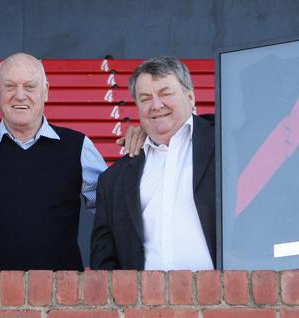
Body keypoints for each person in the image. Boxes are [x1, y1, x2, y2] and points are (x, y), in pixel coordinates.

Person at [0, 52, 107, 271]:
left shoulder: (79, 148)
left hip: (61, 297)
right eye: (9, 86)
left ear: (45, 91)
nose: (19, 95)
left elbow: (114, 209)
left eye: (29, 86)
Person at [90, 55, 216, 271]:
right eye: (145, 98)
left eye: (166, 93)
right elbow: (104, 263)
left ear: (190, 97)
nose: (156, 105)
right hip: (144, 302)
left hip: (222, 300)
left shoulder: (224, 143)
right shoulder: (113, 181)